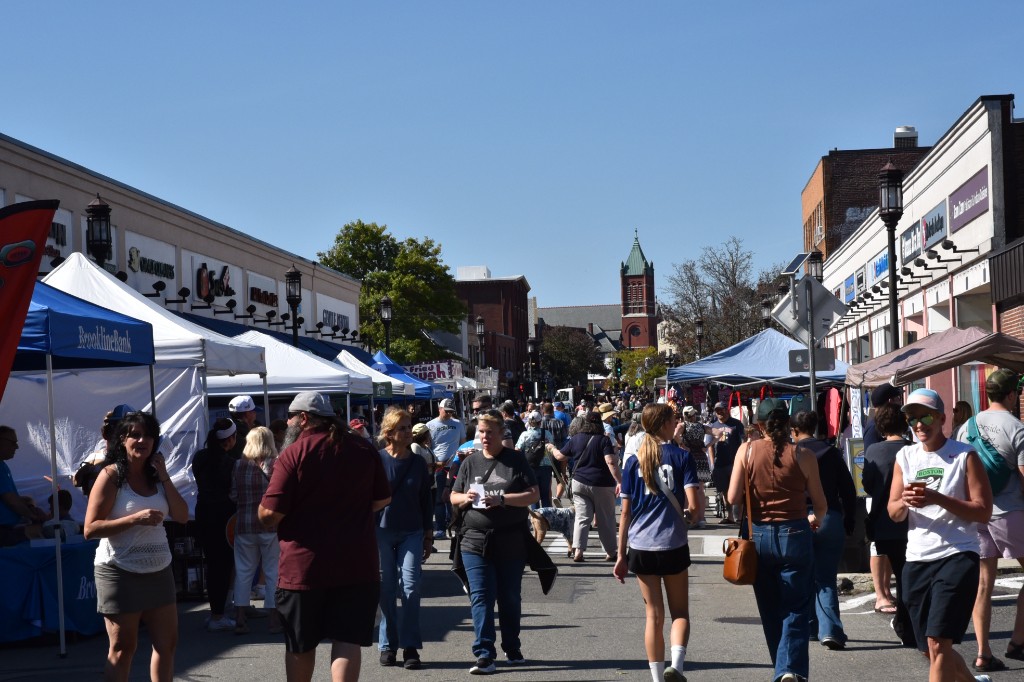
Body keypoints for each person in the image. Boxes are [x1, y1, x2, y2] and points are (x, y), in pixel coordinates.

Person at [258, 392, 391, 682]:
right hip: (356, 563)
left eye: (292, 417)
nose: (289, 422)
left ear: (303, 418)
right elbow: (382, 498)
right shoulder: (362, 448)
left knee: (300, 644)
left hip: (304, 567)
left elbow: (270, 515)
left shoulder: (293, 453)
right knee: (347, 641)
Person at [888, 388, 993, 682]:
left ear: (942, 418)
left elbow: (983, 511)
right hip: (917, 558)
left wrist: (937, 498)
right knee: (928, 649)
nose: (919, 424)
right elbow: (894, 512)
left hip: (958, 554)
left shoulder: (964, 456)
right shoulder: (905, 456)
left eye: (926, 417)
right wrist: (905, 502)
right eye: (912, 418)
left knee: (939, 643)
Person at [84, 411, 188, 682]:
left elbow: (182, 515)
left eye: (148, 436)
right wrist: (134, 519)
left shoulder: (157, 477)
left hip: (159, 569)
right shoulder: (110, 475)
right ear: (123, 440)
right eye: (135, 435)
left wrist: (164, 476)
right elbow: (90, 529)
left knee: (167, 645)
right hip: (119, 570)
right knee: (122, 648)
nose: (142, 440)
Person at [728, 398, 828, 682]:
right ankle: (789, 669)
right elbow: (820, 503)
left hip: (758, 534)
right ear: (788, 424)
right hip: (795, 531)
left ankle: (782, 668)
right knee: (796, 606)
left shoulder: (746, 451)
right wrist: (814, 518)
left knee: (770, 607)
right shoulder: (803, 455)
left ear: (759, 424)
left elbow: (732, 497)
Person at [614, 403, 701, 682]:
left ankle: (656, 678)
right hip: (673, 543)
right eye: (674, 419)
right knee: (680, 613)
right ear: (664, 424)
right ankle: (676, 665)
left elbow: (625, 512)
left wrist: (620, 555)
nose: (677, 423)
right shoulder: (682, 457)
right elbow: (695, 509)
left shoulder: (632, 462)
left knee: (653, 615)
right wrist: (689, 516)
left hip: (640, 545)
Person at [449, 411, 539, 674]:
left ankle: (512, 647)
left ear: (501, 434)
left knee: (509, 597)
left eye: (490, 432)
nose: (484, 437)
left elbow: (533, 494)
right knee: (481, 596)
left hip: (511, 540)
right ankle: (485, 654)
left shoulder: (515, 460)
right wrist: (464, 498)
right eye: (481, 432)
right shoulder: (470, 462)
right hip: (474, 540)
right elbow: (453, 495)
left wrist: (503, 500)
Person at [956, 370, 1024, 671]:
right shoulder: (1017, 428)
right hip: (1009, 512)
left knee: (983, 584)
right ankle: (1018, 641)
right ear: (1011, 395)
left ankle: (983, 653)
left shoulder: (966, 426)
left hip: (976, 511)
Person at [791, 410, 857, 650]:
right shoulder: (831, 452)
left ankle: (810, 627)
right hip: (830, 517)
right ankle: (830, 630)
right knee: (826, 578)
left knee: (804, 575)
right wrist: (850, 520)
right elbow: (848, 490)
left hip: (799, 518)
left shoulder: (794, 454)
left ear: (795, 430)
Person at [375, 407, 433, 670]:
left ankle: (410, 647)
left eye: (409, 427)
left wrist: (429, 533)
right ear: (389, 433)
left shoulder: (419, 462)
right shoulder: (376, 461)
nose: (409, 432)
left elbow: (426, 499)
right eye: (403, 428)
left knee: (410, 587)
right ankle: (387, 645)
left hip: (412, 531)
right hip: (381, 532)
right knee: (386, 589)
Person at [861, 404, 915, 647]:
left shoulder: (873, 450)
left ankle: (905, 624)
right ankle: (908, 624)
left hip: (883, 523)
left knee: (900, 573)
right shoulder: (913, 450)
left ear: (880, 426)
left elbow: (868, 485)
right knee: (908, 576)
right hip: (911, 523)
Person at [549, 410, 621, 562]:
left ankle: (578, 551)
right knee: (605, 519)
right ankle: (610, 552)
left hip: (580, 482)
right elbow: (610, 461)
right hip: (602, 483)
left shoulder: (576, 438)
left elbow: (560, 456)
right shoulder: (604, 440)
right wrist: (620, 481)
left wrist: (551, 448)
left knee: (582, 518)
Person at [230, 426, 282, 635]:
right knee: (272, 572)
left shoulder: (238, 465)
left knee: (243, 572)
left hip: (244, 524)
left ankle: (240, 619)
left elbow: (233, 495)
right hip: (271, 525)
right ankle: (273, 620)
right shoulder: (276, 464)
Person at [191, 418, 239, 631]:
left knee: (212, 564)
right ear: (230, 440)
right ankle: (218, 615)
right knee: (223, 565)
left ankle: (215, 612)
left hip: (203, 513)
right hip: (224, 515)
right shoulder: (229, 463)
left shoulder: (199, 457)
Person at [0, 426, 48, 546]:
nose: (16, 447)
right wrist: (32, 516)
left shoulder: (3, 466)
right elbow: (11, 500)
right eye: (13, 443)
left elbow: (12, 498)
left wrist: (30, 506)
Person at [74, 404, 135, 498]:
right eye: (115, 429)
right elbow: (76, 482)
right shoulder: (94, 458)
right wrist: (83, 472)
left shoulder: (137, 459)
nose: (120, 436)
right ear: (106, 433)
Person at [427, 398, 466, 539]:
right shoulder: (430, 425)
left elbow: (463, 444)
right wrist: (433, 463)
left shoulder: (458, 424)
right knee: (439, 499)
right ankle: (441, 528)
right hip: (438, 467)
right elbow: (428, 446)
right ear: (440, 408)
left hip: (455, 466)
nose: (449, 414)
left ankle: (454, 525)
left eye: (451, 412)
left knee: (454, 497)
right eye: (446, 411)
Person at [711, 402, 744, 524]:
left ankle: (739, 516)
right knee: (725, 491)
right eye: (717, 410)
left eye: (721, 410)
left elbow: (742, 442)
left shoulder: (736, 424)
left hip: (734, 463)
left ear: (727, 410)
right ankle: (730, 516)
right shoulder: (713, 425)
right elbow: (710, 446)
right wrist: (712, 462)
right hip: (719, 463)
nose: (719, 412)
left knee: (737, 489)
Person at [516, 412, 555, 509]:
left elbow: (517, 450)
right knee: (545, 495)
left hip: (530, 467)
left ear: (529, 422)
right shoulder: (547, 434)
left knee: (534, 495)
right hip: (546, 466)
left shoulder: (524, 435)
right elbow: (552, 447)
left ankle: (536, 520)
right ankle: (547, 518)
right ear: (540, 422)